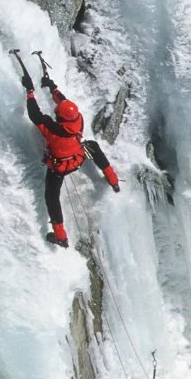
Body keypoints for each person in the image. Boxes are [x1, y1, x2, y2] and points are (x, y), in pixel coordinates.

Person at [22, 70, 120, 248]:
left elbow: (35, 115)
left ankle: (60, 235)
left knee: (51, 196)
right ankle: (113, 179)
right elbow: (64, 102)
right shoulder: (78, 119)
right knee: (94, 147)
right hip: (78, 157)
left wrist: (30, 92)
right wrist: (52, 88)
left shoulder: (52, 129)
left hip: (59, 168)